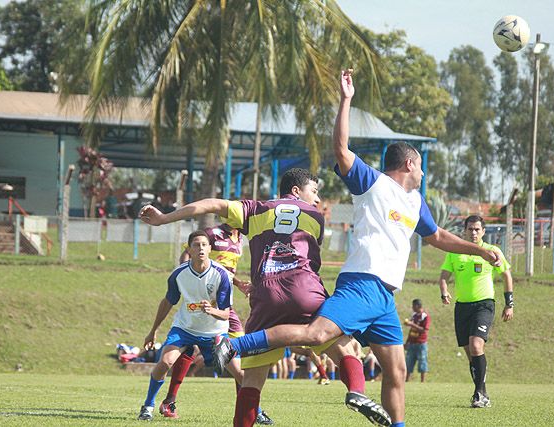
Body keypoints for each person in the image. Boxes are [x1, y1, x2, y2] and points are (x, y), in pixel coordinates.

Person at [212, 69, 504, 427]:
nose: (424, 175)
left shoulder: (416, 204)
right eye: (422, 168)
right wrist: (346, 100)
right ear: (410, 163)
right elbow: (340, 148)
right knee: (316, 335)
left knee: (396, 370)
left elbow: (438, 237)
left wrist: (480, 251)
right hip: (360, 282)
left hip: (384, 295)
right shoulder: (373, 182)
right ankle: (234, 347)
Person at [140, 168, 377, 427]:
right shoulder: (315, 217)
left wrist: (165, 218)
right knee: (347, 347)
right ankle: (356, 391)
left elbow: (210, 204)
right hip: (305, 292)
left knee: (252, 380)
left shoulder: (255, 209)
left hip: (265, 297)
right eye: (315, 191)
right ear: (297, 191)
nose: (317, 199)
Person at [161, 223, 273, 425]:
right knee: (193, 350)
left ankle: (252, 409)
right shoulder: (212, 233)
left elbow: (227, 270)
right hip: (206, 301)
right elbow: (193, 253)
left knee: (235, 357)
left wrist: (238, 284)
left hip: (222, 304)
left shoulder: (239, 238)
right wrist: (186, 275)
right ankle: (170, 400)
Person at [137, 230, 234, 421]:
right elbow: (168, 302)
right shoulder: (179, 274)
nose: (201, 248)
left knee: (238, 371)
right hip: (185, 328)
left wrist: (212, 311)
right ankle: (148, 406)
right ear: (189, 249)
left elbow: (226, 313)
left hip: (214, 331)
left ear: (210, 248)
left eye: (204, 245)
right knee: (165, 362)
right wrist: (153, 331)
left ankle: (256, 411)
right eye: (196, 245)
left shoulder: (221, 274)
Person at [438, 215, 514, 408]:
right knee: (471, 354)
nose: (473, 232)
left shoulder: (492, 251)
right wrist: (444, 291)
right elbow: (444, 276)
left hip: (484, 305)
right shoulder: (455, 251)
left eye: (477, 229)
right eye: (470, 229)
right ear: (464, 230)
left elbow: (506, 275)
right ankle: (482, 392)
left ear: (483, 231)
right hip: (462, 307)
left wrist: (509, 303)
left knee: (476, 346)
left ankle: (479, 393)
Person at [403, 299, 430, 383]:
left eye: (413, 305)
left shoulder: (425, 317)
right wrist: (407, 342)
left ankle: (422, 381)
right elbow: (411, 330)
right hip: (412, 343)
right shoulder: (414, 316)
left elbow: (424, 330)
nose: (412, 307)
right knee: (408, 362)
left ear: (418, 306)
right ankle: (406, 380)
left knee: (422, 362)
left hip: (421, 344)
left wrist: (412, 324)